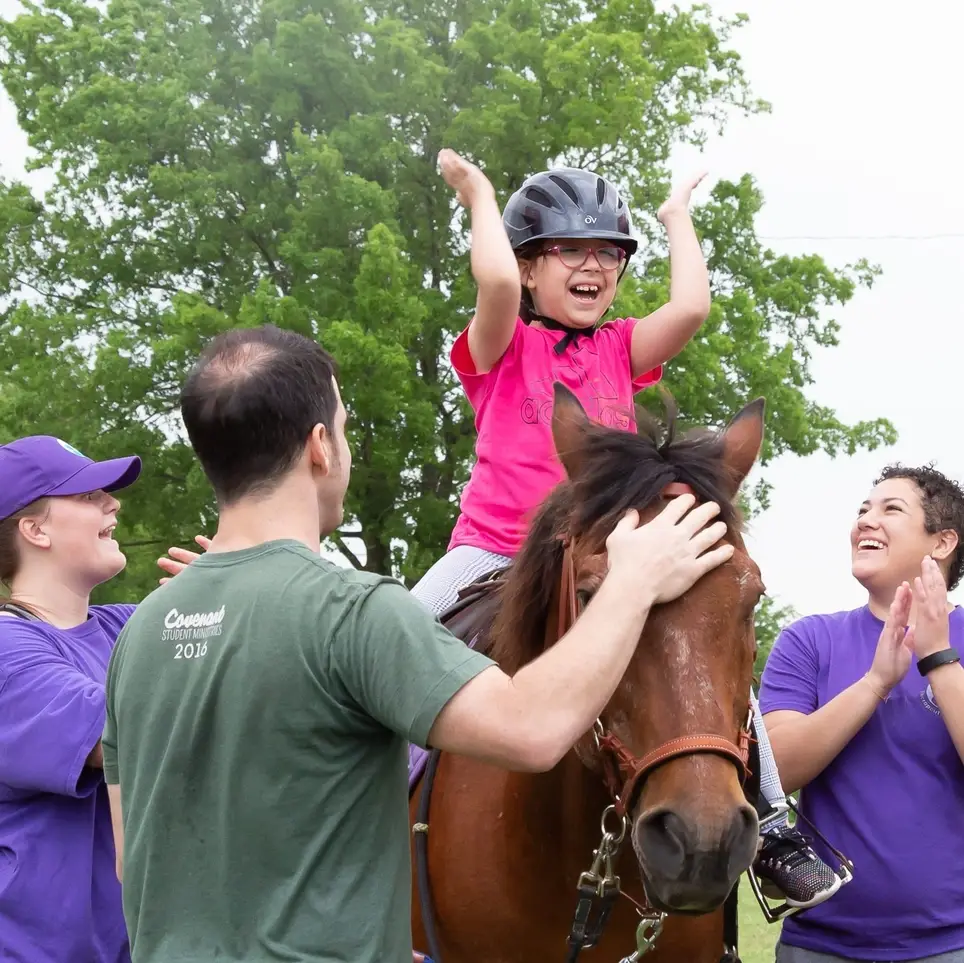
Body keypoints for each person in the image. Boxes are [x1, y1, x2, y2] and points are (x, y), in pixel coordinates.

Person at [103, 324, 734, 963]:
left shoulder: (140, 634)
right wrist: (633, 580)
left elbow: (138, 859)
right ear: (320, 447)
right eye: (344, 428)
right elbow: (531, 730)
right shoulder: (354, 611)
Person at [407, 148, 841, 909]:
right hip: (491, 548)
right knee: (394, 637)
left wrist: (677, 220)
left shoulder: (618, 348)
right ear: (531, 268)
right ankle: (377, 794)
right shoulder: (501, 345)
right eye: (568, 250)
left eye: (608, 254)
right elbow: (497, 282)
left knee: (703, 652)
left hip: (611, 556)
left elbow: (693, 310)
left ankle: (771, 819)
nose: (593, 267)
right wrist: (477, 193)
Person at [760, 464, 964, 963]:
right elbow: (775, 771)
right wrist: (874, 684)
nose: (866, 521)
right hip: (819, 943)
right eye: (862, 510)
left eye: (891, 509)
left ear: (942, 543)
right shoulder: (808, 641)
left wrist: (937, 656)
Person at [0, 434, 142, 963]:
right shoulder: (6, 649)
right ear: (34, 529)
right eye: (87, 496)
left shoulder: (127, 625)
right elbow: (124, 732)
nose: (113, 502)